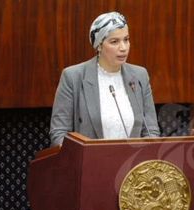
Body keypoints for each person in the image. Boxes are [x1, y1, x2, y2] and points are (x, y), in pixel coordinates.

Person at [49, 12, 160, 146]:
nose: (123, 48)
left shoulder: (139, 75)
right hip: (90, 164)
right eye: (114, 42)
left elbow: (151, 130)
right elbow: (59, 133)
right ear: (99, 45)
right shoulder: (73, 77)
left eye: (126, 39)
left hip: (132, 164)